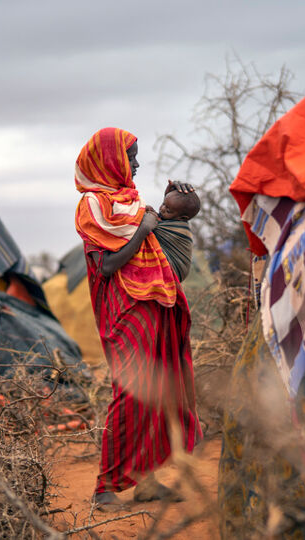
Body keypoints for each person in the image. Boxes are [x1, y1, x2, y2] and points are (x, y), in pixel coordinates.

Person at [74, 127, 202, 508]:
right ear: (111, 160)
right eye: (130, 157)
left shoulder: (132, 202)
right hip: (124, 311)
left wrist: (171, 204)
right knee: (130, 393)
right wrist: (143, 229)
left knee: (157, 393)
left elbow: (161, 245)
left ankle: (147, 481)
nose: (137, 164)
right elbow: (109, 265)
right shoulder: (93, 206)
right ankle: (105, 487)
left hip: (154, 307)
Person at [150, 182, 200, 282]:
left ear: (182, 218)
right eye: (163, 204)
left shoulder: (178, 230)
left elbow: (150, 225)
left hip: (174, 269)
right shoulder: (171, 218)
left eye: (168, 211)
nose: (162, 209)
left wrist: (149, 214)